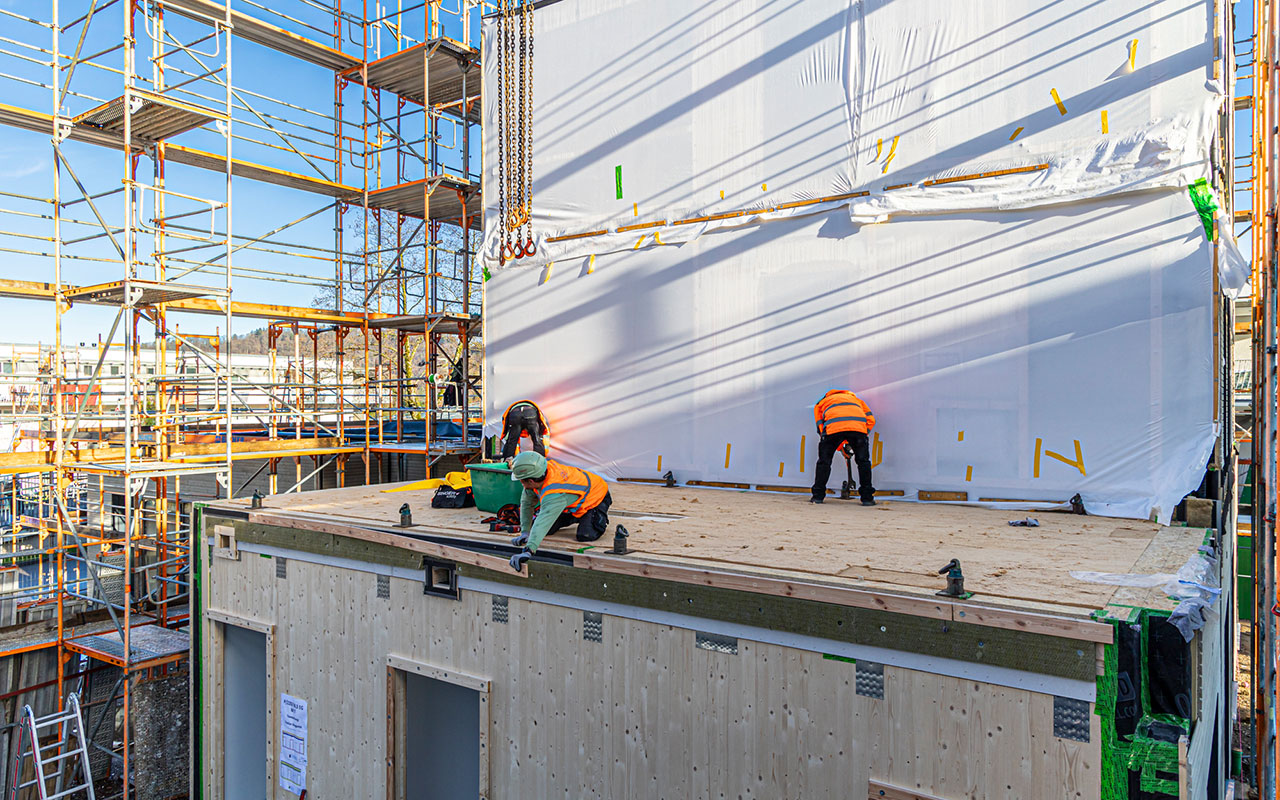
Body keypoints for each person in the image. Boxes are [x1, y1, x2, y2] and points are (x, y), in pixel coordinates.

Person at [507, 451, 611, 571]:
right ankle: (574, 514)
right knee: (547, 530)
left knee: (585, 535)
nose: (521, 484)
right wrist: (525, 532)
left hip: (596, 495)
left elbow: (543, 520)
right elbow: (526, 504)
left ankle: (588, 517)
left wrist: (529, 550)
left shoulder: (554, 492)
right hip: (569, 500)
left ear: (530, 481)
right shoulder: (540, 472)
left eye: (521, 480)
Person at [810, 388, 876, 505]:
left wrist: (839, 446)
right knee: (863, 462)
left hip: (833, 430)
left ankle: (817, 497)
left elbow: (821, 427)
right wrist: (861, 436)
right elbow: (871, 420)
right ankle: (867, 498)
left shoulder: (821, 403)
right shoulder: (857, 400)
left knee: (824, 462)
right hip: (858, 430)